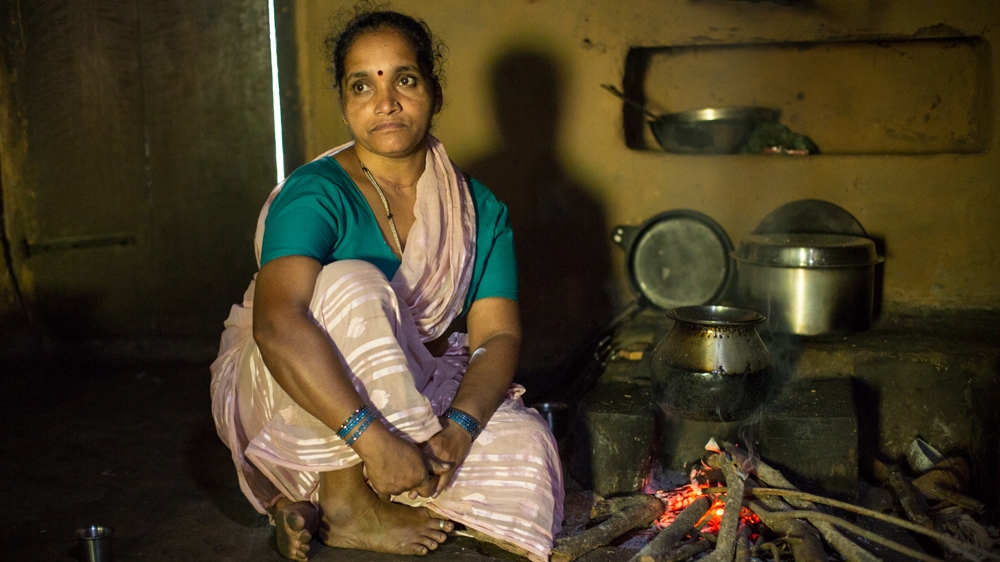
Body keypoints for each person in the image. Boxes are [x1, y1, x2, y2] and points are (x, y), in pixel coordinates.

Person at [209, 5, 564, 562]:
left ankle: (315, 499)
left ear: (433, 92)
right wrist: (374, 440)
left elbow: (497, 338)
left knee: (527, 452)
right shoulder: (316, 192)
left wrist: (459, 430)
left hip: (407, 380)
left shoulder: (478, 209)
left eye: (404, 79)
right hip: (288, 388)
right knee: (353, 283)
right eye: (361, 85)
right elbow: (278, 325)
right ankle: (349, 497)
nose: (386, 102)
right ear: (345, 102)